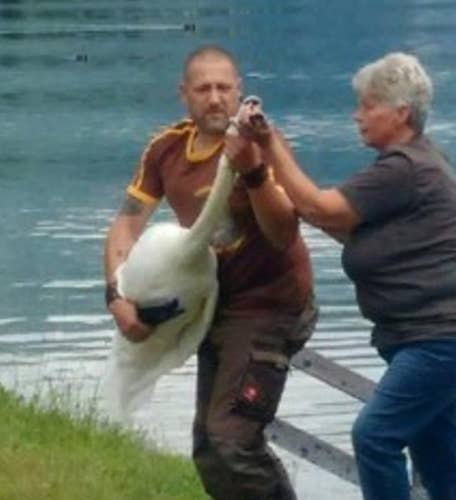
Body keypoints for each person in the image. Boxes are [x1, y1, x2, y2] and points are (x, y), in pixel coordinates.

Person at [225, 52, 456, 500]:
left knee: (375, 437)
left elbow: (320, 207)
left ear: (401, 112)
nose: (358, 115)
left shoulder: (405, 169)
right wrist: (268, 163)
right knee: (437, 457)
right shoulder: (416, 163)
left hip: (448, 334)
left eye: (368, 104)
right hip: (455, 333)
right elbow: (333, 220)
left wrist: (272, 146)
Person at [103, 45, 316, 500]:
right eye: (204, 89)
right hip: (213, 303)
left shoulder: (261, 143)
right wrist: (116, 296)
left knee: (231, 441)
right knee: (208, 449)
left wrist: (253, 171)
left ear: (240, 91)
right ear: (185, 95)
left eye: (224, 88)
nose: (216, 98)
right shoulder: (166, 149)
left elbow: (283, 233)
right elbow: (126, 222)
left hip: (271, 305)